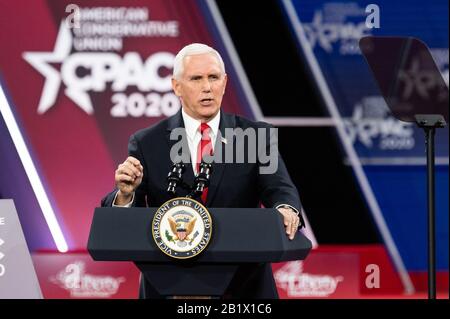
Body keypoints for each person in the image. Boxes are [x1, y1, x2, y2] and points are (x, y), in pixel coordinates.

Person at [101, 43, 305, 298]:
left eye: (213, 77)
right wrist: (125, 196)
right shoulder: (146, 142)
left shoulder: (254, 136)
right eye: (196, 78)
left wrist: (286, 208)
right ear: (176, 86)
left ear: (225, 81)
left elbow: (280, 189)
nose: (207, 87)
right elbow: (125, 218)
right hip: (168, 285)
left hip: (243, 287)